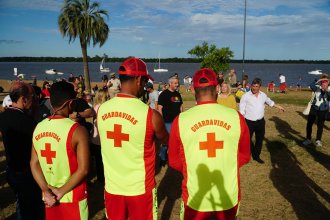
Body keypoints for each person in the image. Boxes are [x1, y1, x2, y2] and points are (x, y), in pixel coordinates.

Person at [168, 68, 250, 219]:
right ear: (218, 88)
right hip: (228, 195)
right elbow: (244, 155)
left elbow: (174, 161)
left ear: (192, 90)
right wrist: (225, 164)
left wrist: (191, 167)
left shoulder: (180, 120)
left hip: (195, 196)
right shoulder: (236, 117)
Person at [97, 57, 168, 220]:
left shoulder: (102, 110)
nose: (145, 86)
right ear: (138, 79)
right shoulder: (151, 115)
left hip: (113, 188)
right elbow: (167, 140)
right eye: (144, 81)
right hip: (140, 189)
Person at [30, 81, 90, 220]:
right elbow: (84, 169)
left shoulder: (38, 127)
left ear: (50, 102)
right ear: (70, 103)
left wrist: (46, 191)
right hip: (72, 197)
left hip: (49, 198)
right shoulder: (77, 130)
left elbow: (34, 163)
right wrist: (60, 192)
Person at [0, 81, 45, 219]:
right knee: (29, 208)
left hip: (11, 169)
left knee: (21, 203)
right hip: (26, 172)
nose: (35, 101)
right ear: (23, 99)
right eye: (33, 98)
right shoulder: (29, 123)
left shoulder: (3, 116)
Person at [239, 78, 284, 164]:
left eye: (257, 86)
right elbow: (242, 110)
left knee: (259, 139)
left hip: (260, 122)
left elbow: (270, 102)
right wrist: (242, 121)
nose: (254, 88)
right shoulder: (245, 96)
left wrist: (278, 106)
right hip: (249, 122)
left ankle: (256, 156)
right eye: (253, 86)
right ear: (251, 85)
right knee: (247, 140)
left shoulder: (263, 95)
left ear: (260, 87)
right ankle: (245, 156)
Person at [157, 75, 183, 167]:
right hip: (167, 122)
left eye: (177, 83)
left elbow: (180, 107)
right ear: (170, 83)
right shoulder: (163, 94)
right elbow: (159, 108)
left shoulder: (178, 94)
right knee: (166, 142)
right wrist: (162, 121)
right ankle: (163, 158)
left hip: (177, 122)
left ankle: (173, 158)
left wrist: (181, 117)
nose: (177, 84)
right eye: (175, 83)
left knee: (176, 141)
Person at [303, 74, 330, 147]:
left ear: (328, 81)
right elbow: (311, 85)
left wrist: (327, 90)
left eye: (326, 81)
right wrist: (317, 81)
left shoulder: (329, 88)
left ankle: (318, 140)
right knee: (309, 124)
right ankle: (308, 139)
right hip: (314, 107)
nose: (324, 82)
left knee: (320, 125)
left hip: (323, 109)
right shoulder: (317, 87)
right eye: (323, 81)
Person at [90, 89, 108, 182]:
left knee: (98, 160)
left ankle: (101, 177)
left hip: (95, 136)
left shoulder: (95, 107)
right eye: (107, 96)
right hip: (101, 138)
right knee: (102, 160)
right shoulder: (103, 107)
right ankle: (102, 178)